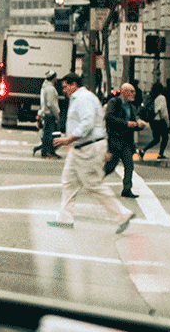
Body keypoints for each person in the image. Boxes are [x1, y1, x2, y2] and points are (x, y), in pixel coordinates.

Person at [47, 73, 137, 233]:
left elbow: (87, 123)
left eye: (66, 86)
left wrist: (68, 139)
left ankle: (122, 214)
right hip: (80, 147)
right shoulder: (79, 98)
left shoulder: (83, 99)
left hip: (88, 147)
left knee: (93, 184)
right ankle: (64, 217)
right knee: (68, 181)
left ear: (74, 84)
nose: (64, 90)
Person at [103, 82, 147, 198]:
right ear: (124, 92)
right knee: (111, 165)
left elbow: (132, 124)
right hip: (115, 140)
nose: (134, 93)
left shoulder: (131, 107)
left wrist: (139, 126)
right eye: (132, 91)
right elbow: (109, 118)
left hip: (127, 141)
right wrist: (126, 123)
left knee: (129, 165)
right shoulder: (114, 102)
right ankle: (93, 180)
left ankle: (127, 189)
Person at [33, 70, 62, 159]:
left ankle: (47, 151)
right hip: (50, 114)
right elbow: (51, 104)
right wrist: (57, 115)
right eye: (55, 77)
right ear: (53, 78)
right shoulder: (50, 89)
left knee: (49, 134)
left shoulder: (46, 87)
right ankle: (47, 151)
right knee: (50, 135)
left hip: (46, 114)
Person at [139, 81, 170, 160]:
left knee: (156, 139)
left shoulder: (151, 97)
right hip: (160, 120)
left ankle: (143, 150)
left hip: (152, 120)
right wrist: (168, 122)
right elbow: (164, 112)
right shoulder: (161, 98)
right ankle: (161, 153)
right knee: (165, 137)